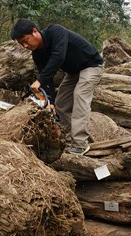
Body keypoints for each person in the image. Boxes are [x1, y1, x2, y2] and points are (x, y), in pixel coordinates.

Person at [11, 19, 103, 155]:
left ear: (35, 32)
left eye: (26, 40)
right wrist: (50, 102)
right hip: (73, 72)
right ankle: (68, 142)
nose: (25, 45)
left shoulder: (55, 31)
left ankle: (80, 144)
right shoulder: (37, 55)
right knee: (60, 104)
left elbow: (58, 56)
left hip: (91, 66)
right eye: (21, 43)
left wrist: (39, 80)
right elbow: (47, 79)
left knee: (79, 95)